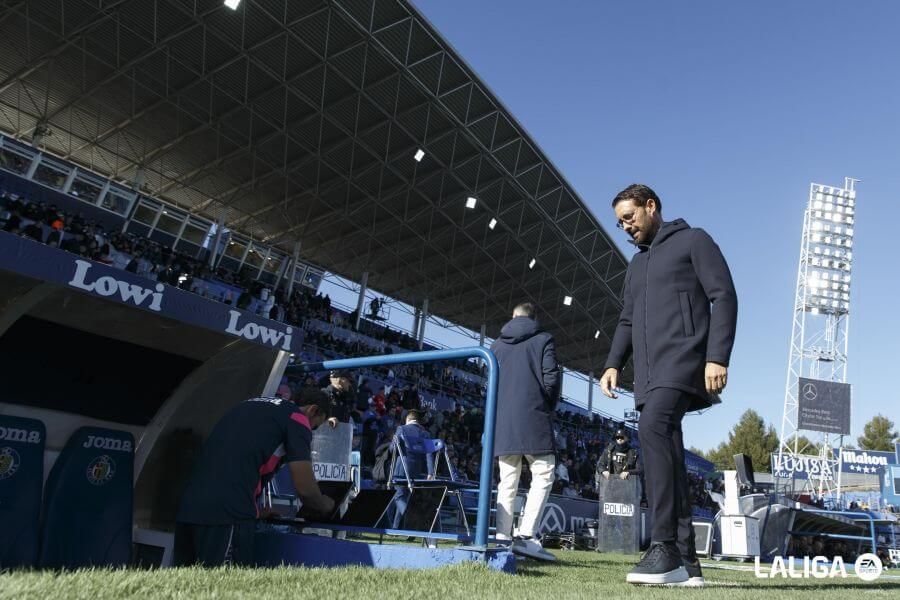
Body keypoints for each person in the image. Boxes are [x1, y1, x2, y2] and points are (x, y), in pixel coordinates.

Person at [600, 184, 737, 586]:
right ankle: (688, 563)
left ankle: (663, 547)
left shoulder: (694, 241)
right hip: (648, 372)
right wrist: (612, 364)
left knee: (652, 428)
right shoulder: (636, 266)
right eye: (620, 222)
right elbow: (627, 319)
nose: (626, 227)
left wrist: (717, 356)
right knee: (670, 455)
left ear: (651, 206)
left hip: (684, 360)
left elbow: (724, 295)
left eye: (630, 217)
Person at [174, 388, 336, 566]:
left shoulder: (248, 405)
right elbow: (306, 490)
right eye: (315, 426)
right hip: (228, 514)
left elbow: (236, 460)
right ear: (313, 410)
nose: (311, 430)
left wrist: (255, 511)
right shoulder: (297, 418)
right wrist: (325, 504)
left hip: (189, 508)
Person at [491, 302, 561, 562]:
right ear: (535, 317)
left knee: (507, 480)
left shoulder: (496, 345)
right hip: (534, 415)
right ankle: (526, 536)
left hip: (504, 419)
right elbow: (551, 378)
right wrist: (547, 407)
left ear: (512, 316)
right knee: (543, 472)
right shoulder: (544, 339)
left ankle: (502, 538)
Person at [390, 409, 433, 528]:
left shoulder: (401, 429)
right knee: (406, 498)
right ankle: (396, 528)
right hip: (416, 470)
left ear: (407, 419)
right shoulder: (425, 433)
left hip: (402, 468)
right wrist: (430, 472)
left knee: (398, 496)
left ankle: (413, 520)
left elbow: (393, 450)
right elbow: (429, 454)